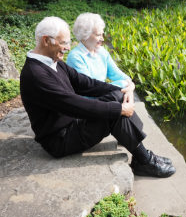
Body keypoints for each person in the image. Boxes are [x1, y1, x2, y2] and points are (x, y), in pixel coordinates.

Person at [20, 16, 175, 178]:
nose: (67, 48)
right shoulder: (36, 75)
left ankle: (132, 142)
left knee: (116, 95)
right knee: (113, 114)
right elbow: (73, 104)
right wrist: (120, 109)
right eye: (63, 43)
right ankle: (144, 161)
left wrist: (120, 90)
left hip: (72, 123)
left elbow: (85, 84)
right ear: (46, 40)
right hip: (60, 139)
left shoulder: (53, 62)